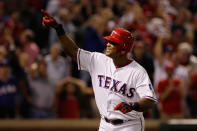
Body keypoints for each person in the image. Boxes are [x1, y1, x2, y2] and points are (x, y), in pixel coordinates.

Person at [41, 10, 157, 131]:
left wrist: (134, 106)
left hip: (129, 124)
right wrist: (59, 30)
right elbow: (73, 52)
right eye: (108, 41)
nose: (108, 44)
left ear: (123, 48)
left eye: (113, 42)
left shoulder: (137, 71)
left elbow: (150, 100)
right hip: (105, 124)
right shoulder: (98, 60)